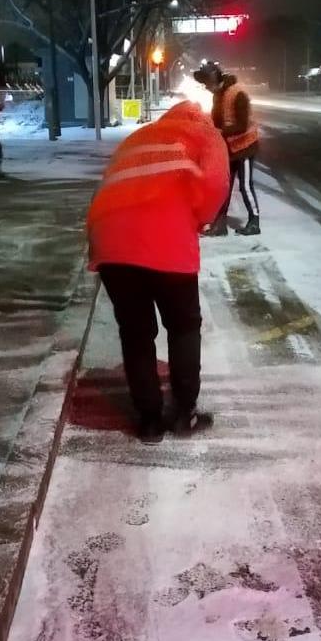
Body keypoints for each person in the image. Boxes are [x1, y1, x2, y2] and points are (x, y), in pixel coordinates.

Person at [86, 101, 229, 444]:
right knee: (182, 327)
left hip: (110, 241)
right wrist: (201, 218)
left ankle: (149, 421)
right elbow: (217, 182)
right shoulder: (204, 134)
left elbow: (109, 185)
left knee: (136, 333)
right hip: (166, 241)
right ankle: (183, 413)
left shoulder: (142, 136)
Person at [193, 61, 260, 236]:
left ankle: (254, 222)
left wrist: (220, 131)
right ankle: (220, 225)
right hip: (230, 149)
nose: (206, 88)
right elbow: (217, 120)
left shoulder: (238, 94)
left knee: (245, 186)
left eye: (207, 84)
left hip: (245, 146)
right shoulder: (217, 95)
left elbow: (242, 125)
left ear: (214, 79)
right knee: (225, 187)